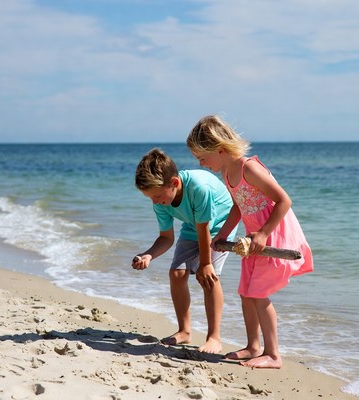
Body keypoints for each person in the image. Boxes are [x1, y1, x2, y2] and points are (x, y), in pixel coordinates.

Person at [186, 115, 313, 368]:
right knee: (246, 293)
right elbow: (238, 205)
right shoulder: (227, 173)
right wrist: (223, 233)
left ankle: (273, 354)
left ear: (220, 150)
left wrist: (264, 233)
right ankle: (253, 346)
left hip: (271, 236)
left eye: (202, 158)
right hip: (252, 240)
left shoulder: (249, 168)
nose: (201, 163)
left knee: (258, 293)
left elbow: (283, 201)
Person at [132, 148, 238, 354]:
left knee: (209, 278)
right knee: (176, 273)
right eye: (150, 198)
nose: (154, 201)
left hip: (219, 227)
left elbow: (204, 228)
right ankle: (184, 331)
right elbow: (166, 238)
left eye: (157, 196)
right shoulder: (161, 200)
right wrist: (148, 255)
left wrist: (206, 264)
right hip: (193, 225)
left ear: (174, 183)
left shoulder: (199, 188)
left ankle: (214, 337)